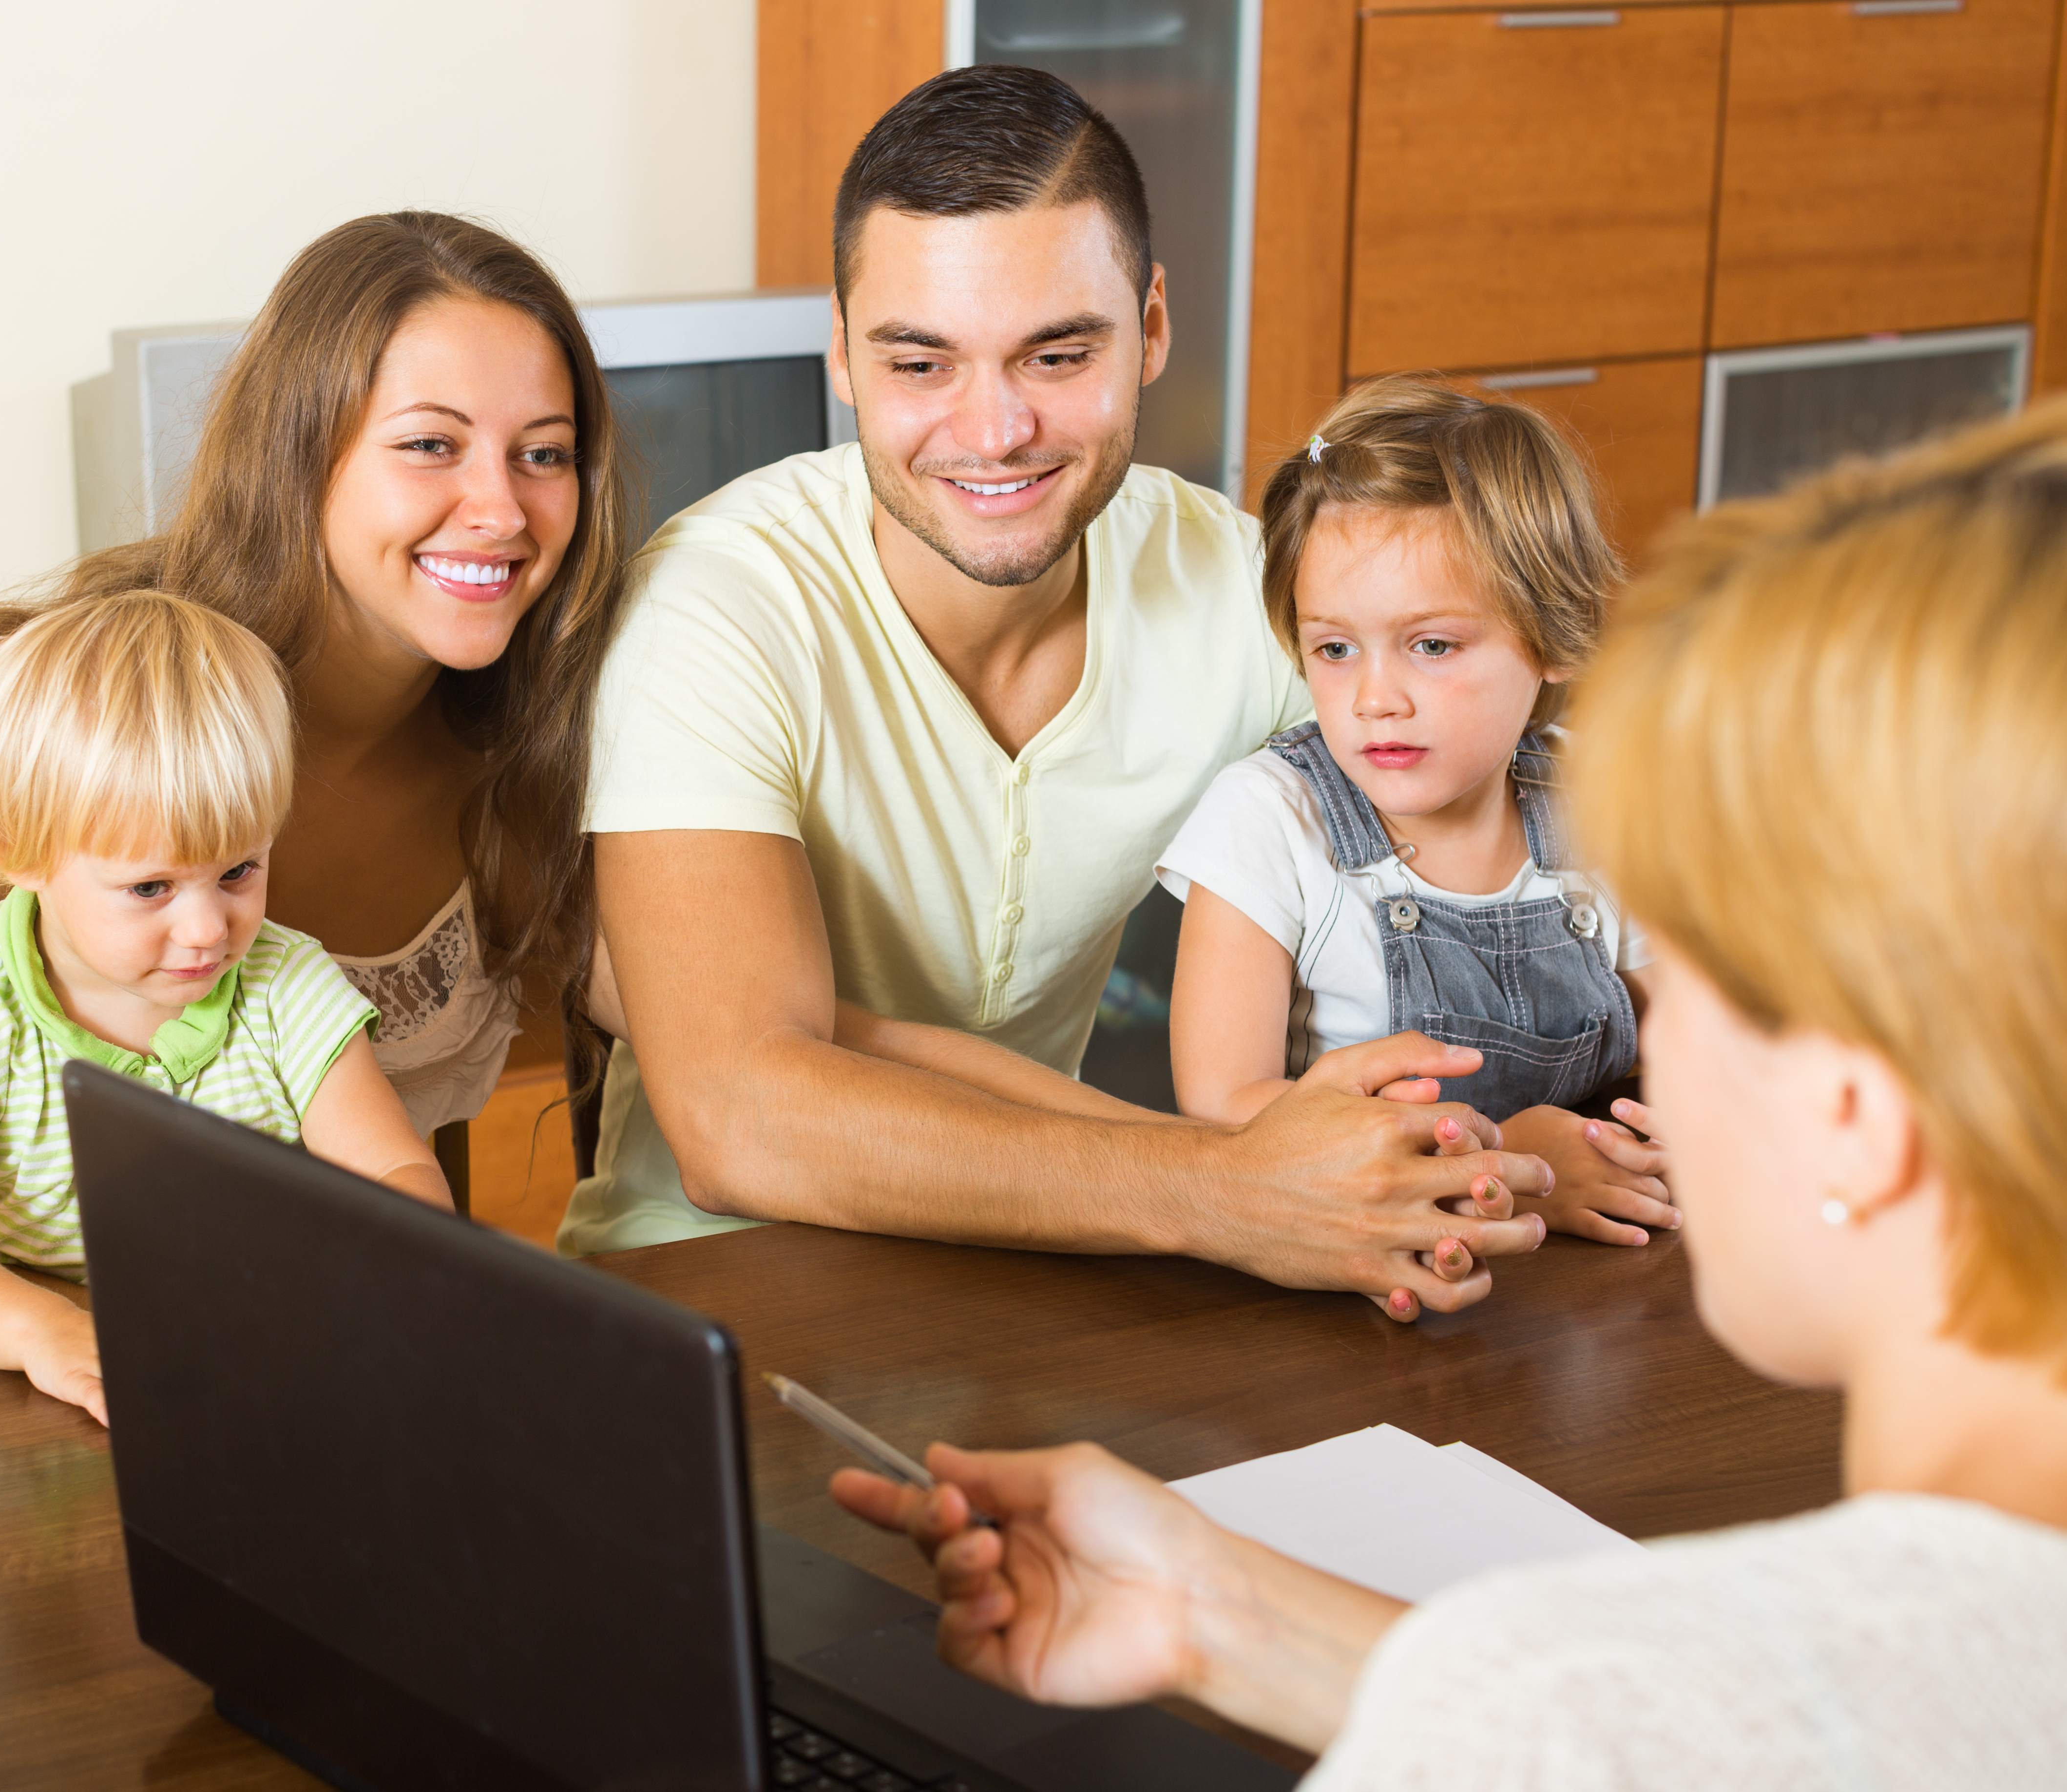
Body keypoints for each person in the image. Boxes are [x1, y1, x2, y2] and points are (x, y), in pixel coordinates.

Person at [835, 402, 2067, 1785]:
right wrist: (1216, 1607)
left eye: (1721, 966)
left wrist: (1487, 1696)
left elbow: (1586, 1729)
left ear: (1858, 1106)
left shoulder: (1550, 1709)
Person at [566, 65, 1551, 1318]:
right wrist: (1227, 1186)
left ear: (1148, 328)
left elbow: (1508, 801)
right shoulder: (715, 608)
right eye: (921, 363)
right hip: (708, 1289)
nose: (993, 431)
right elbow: (740, 1120)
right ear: (843, 353)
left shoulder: (1239, 587)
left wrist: (1521, 1135)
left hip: (1052, 1276)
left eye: (1056, 353)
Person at [0, 211, 635, 1372]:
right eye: (430, 445)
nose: (502, 509)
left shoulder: (531, 765)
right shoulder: (42, 733)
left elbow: (411, 1173)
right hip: (29, 1407)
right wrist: (141, 1385)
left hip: (312, 1392)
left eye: (543, 453)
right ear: (301, 455)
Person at [0, 594, 449, 1423]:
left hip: (227, 1365)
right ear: (16, 853)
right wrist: (44, 1332)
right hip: (5, 1369)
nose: (209, 928)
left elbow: (395, 1173)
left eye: (239, 871)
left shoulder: (285, 983)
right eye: (150, 887)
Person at [1162, 378, 1678, 1248]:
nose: (1373, 699)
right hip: (1348, 1267)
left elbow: (1688, 1042)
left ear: (1553, 632)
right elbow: (1224, 1112)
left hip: (1585, 1280)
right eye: (1333, 649)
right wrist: (1504, 1165)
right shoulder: (1268, 823)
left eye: (1431, 645)